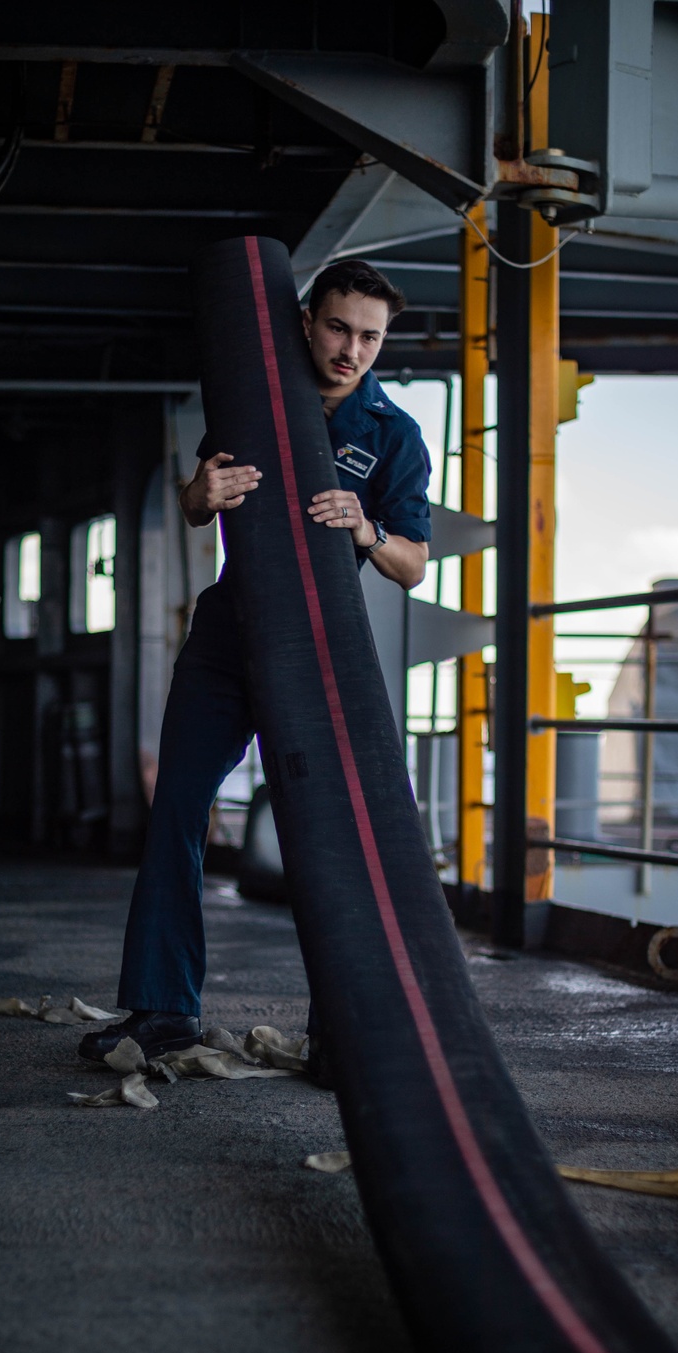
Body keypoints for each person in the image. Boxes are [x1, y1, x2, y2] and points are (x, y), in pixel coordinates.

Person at [79, 259, 432, 1067]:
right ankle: (164, 1011)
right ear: (308, 321)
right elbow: (196, 506)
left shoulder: (393, 435)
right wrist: (200, 492)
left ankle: (339, 1036)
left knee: (325, 838)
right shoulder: (254, 398)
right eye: (339, 328)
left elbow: (414, 563)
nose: (352, 350)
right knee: (176, 812)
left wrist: (367, 532)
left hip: (315, 651)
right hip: (226, 640)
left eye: (370, 337)